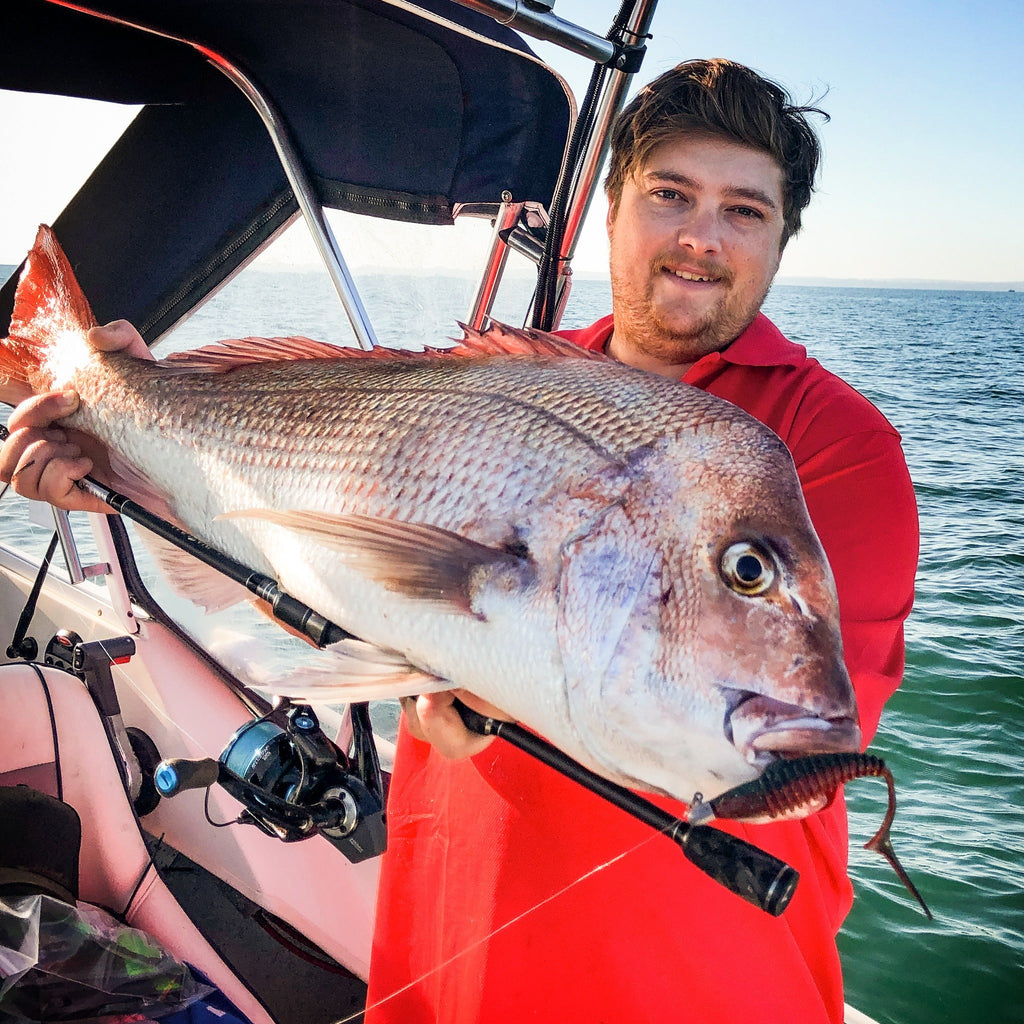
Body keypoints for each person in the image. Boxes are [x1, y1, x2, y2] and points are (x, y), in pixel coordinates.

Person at [1, 58, 918, 1024]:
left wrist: (476, 679)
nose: (700, 235)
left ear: (782, 241)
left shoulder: (836, 443)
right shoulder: (522, 382)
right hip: (440, 929)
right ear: (612, 210)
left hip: (688, 977)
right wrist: (121, 452)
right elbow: (320, 530)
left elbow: (783, 753)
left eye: (746, 210)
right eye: (671, 194)